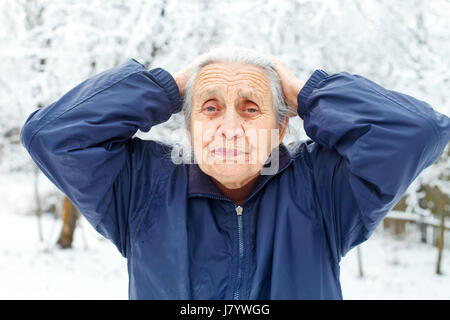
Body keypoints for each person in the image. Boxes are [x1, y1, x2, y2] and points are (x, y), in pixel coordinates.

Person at [20, 47, 449, 299]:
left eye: (251, 108)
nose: (228, 127)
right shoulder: (140, 187)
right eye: (209, 108)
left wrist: (306, 95)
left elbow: (419, 130)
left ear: (281, 126)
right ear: (188, 125)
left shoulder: (324, 187)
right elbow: (49, 135)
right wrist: (164, 87)